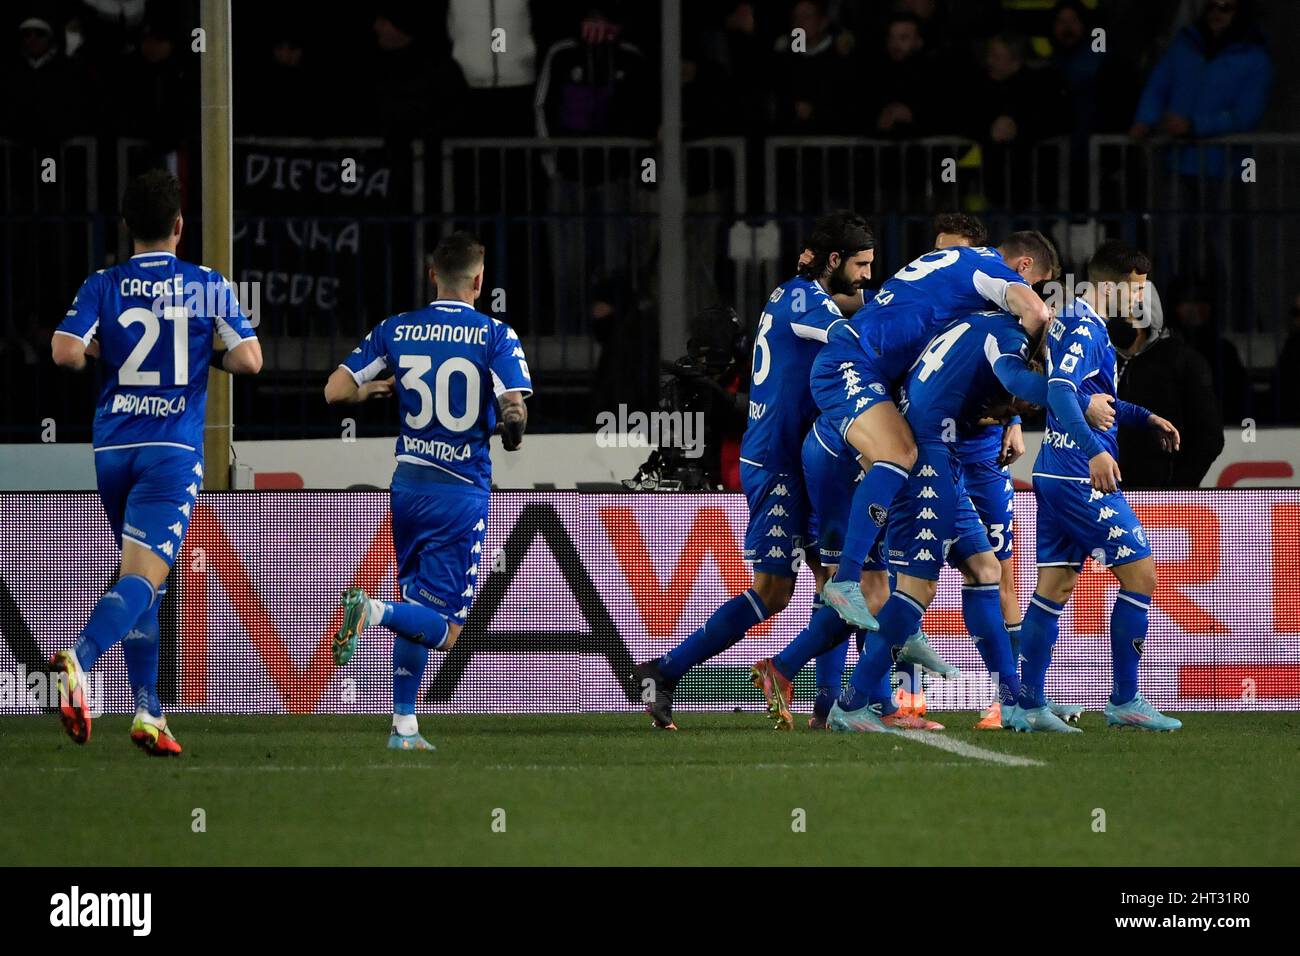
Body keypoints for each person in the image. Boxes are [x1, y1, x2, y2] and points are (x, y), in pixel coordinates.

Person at [629, 212, 875, 731]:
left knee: (835, 578)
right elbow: (856, 337)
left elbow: (854, 304)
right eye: (860, 265)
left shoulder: (797, 293)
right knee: (774, 590)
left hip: (804, 458)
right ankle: (667, 672)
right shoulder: (806, 302)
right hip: (778, 463)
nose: (866, 276)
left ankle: (827, 707)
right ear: (834, 262)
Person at [49, 169, 263, 755]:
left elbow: (65, 352)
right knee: (145, 575)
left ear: (126, 227)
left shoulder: (104, 283)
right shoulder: (206, 285)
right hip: (171, 451)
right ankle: (80, 659)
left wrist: (105, 348)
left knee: (146, 579)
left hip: (114, 448)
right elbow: (250, 361)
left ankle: (149, 712)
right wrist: (204, 359)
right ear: (179, 226)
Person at [324, 232, 532, 751]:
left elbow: (334, 390)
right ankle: (372, 613)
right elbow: (514, 405)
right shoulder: (495, 336)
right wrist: (511, 421)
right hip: (460, 493)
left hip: (407, 487)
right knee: (447, 627)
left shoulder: (396, 329)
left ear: (430, 273)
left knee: (418, 599)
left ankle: (404, 726)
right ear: (480, 280)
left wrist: (370, 389)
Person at [812, 231, 1056, 633]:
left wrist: (1011, 418)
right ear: (1023, 266)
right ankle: (845, 582)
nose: (1033, 290)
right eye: (1034, 282)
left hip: (873, 373)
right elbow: (1038, 314)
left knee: (979, 565)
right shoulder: (991, 272)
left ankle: (902, 633)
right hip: (853, 366)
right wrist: (1038, 355)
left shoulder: (953, 265)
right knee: (900, 455)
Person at [828, 304, 1053, 733]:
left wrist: (1009, 414)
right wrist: (1074, 401)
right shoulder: (1008, 345)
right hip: (926, 456)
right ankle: (850, 703)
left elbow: (983, 390)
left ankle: (1011, 701)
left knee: (985, 568)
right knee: (917, 587)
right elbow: (1015, 381)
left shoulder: (984, 323)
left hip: (941, 453)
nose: (1018, 410)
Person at [1018, 239, 1183, 732]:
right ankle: (1125, 700)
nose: (1140, 302)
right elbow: (1061, 394)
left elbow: (1096, 398)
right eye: (1135, 291)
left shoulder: (1080, 325)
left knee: (1055, 586)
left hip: (1055, 470)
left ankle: (1028, 706)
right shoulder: (1084, 326)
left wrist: (1145, 416)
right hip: (1075, 472)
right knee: (1142, 576)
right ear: (1110, 286)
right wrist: (1095, 453)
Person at [1113, 270, 1225, 488]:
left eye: (1126, 313)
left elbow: (1209, 437)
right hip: (1111, 496)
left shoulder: (1183, 362)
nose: (1117, 322)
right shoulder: (1105, 360)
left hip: (1165, 498)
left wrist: (1176, 488)